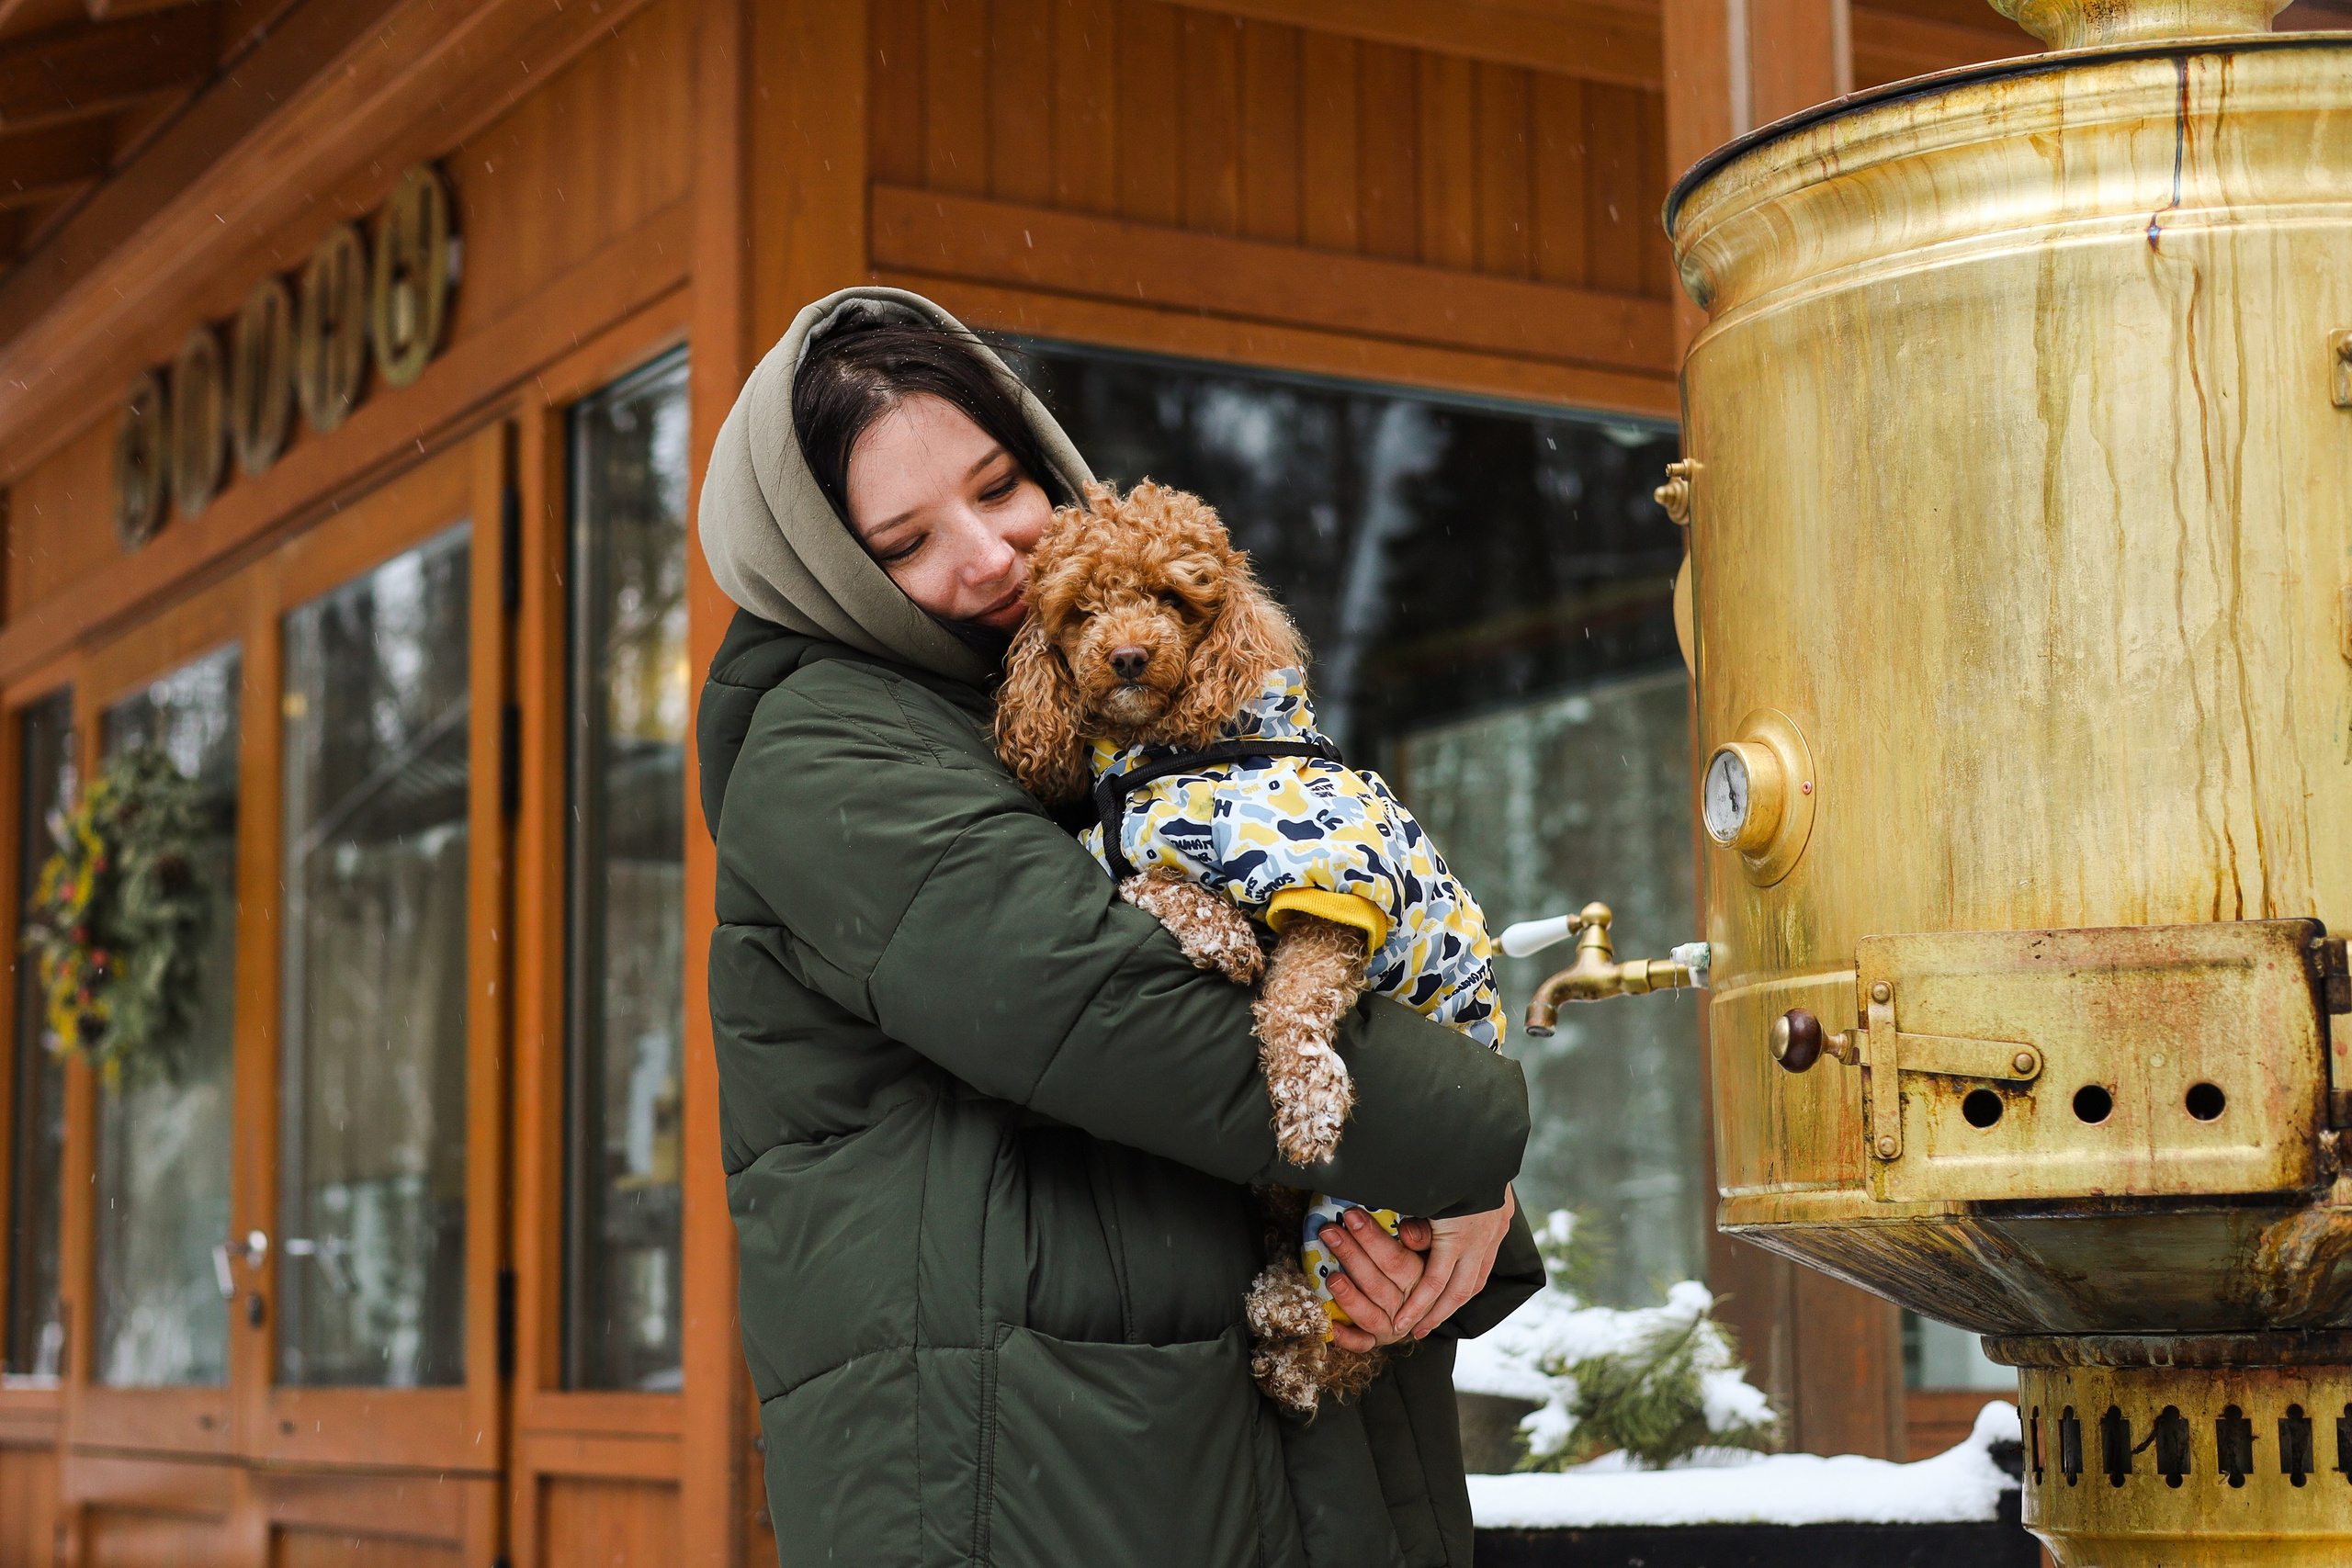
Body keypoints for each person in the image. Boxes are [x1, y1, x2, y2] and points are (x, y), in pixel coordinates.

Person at [697, 286, 1541, 1568]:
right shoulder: (830, 748)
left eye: (998, 485)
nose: (989, 556)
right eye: (906, 540)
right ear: (826, 571)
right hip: (1042, 1472)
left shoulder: (1141, 744)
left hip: (1193, 1430)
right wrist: (1468, 1139)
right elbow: (1121, 1013)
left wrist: (1432, 1220)